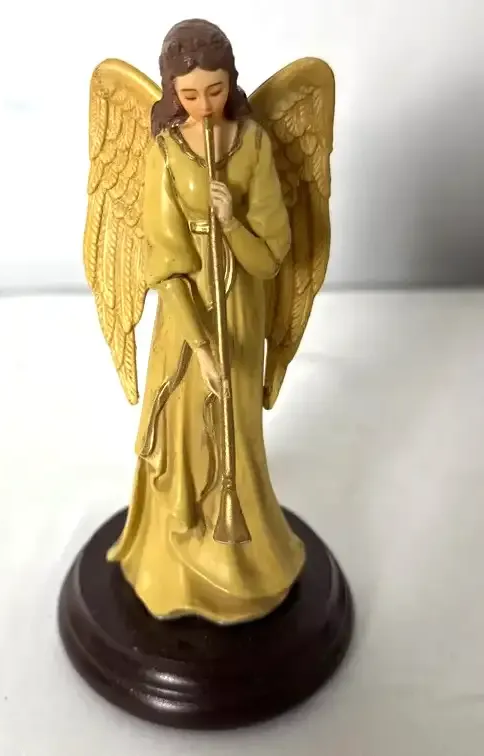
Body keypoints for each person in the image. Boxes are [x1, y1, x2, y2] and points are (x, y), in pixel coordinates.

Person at [106, 19, 305, 624]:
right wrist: (199, 345)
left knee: (235, 427)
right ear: (172, 92)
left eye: (215, 90)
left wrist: (233, 221)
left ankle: (240, 553)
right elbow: (163, 262)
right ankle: (176, 543)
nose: (204, 105)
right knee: (185, 422)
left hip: (238, 303)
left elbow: (272, 255)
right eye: (189, 95)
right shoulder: (165, 152)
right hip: (185, 313)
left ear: (231, 82)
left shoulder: (254, 144)